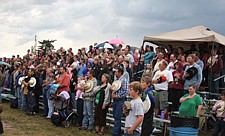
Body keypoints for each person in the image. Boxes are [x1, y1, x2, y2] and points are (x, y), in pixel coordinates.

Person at [111, 65, 129, 136]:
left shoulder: (124, 80)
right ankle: (117, 132)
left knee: (118, 117)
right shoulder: (116, 80)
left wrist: (117, 96)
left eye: (116, 72)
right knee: (115, 116)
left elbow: (125, 91)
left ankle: (115, 133)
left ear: (120, 72)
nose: (115, 73)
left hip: (120, 100)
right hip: (115, 100)